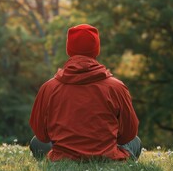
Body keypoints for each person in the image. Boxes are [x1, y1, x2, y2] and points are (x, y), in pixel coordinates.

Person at [29, 24, 141, 161]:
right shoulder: (116, 87)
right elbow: (129, 134)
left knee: (36, 142)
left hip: (62, 157)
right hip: (107, 157)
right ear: (96, 50)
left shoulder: (49, 87)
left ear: (69, 49)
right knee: (135, 141)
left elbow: (42, 135)